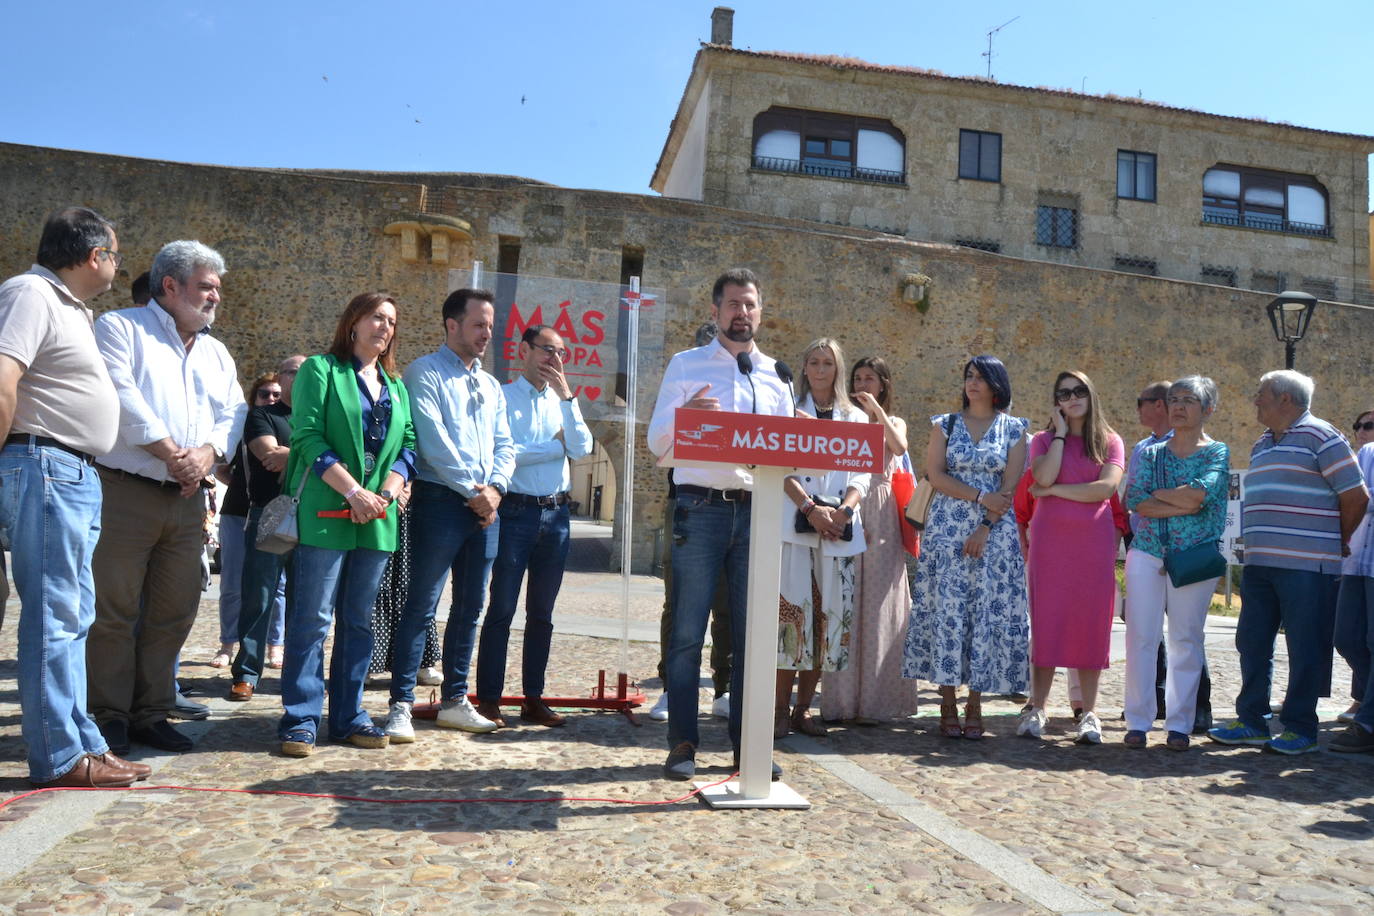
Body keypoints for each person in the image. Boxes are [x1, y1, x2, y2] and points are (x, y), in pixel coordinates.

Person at [0, 206, 150, 788]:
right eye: (113, 254)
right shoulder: (31, 294)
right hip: (44, 464)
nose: (115, 264)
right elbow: (4, 376)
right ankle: (61, 755)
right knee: (54, 616)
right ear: (95, 256)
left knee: (74, 615)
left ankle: (83, 740)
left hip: (70, 472)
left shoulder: (69, 308)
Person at [89, 240, 244, 756]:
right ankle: (108, 715)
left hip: (186, 500)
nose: (215, 297)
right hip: (125, 492)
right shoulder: (120, 329)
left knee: (174, 609)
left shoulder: (217, 352)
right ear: (171, 285)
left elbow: (234, 411)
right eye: (206, 287)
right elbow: (120, 394)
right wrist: (173, 453)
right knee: (114, 609)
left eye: (218, 289)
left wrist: (206, 453)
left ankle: (152, 711)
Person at [647, 268, 794, 781]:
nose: (742, 313)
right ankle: (683, 743)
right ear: (715, 313)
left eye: (750, 305)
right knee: (688, 633)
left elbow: (788, 452)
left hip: (756, 511)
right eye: (733, 305)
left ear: (760, 311)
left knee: (752, 637)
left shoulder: (776, 375)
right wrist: (686, 415)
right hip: (700, 509)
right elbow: (657, 446)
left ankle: (748, 748)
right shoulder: (686, 365)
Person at [277, 293, 416, 756]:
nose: (384, 327)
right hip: (327, 509)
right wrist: (353, 491)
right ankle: (301, 717)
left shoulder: (396, 386)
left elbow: (409, 445)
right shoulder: (322, 370)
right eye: (376, 316)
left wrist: (389, 491)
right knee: (313, 619)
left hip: (377, 516)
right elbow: (307, 436)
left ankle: (349, 715)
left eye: (391, 321)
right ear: (353, 322)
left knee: (359, 621)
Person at [1210, 370, 1368, 755]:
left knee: (1305, 647)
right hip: (1260, 563)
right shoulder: (1263, 442)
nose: (1255, 399)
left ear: (1285, 398)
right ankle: (1252, 721)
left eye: (1261, 393)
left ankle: (1300, 728)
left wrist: (1338, 540)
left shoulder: (1323, 437)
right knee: (1251, 642)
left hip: (1308, 566)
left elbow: (1357, 496)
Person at [386, 288, 515, 741]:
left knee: (470, 608)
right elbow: (433, 442)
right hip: (442, 502)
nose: (486, 334)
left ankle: (456, 700)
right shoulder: (425, 373)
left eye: (490, 326)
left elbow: (505, 443)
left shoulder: (491, 384)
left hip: (485, 510)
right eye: (478, 324)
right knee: (421, 604)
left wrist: (496, 489)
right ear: (452, 324)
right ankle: (401, 703)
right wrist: (475, 492)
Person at [904, 356, 1029, 740]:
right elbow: (936, 475)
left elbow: (1008, 488)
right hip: (946, 532)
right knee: (947, 612)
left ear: (996, 384)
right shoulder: (945, 424)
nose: (972, 383)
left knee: (983, 614)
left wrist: (985, 527)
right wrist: (978, 496)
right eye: (968, 376)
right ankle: (945, 700)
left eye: (981, 377)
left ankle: (975, 702)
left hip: (993, 535)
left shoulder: (1015, 429)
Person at [474, 324, 594, 727]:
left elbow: (583, 448)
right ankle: (489, 699)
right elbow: (506, 455)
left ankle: (533, 699)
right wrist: (555, 446)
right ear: (524, 350)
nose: (554, 360)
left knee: (542, 613)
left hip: (557, 516)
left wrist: (568, 401)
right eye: (547, 350)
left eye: (561, 353)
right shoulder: (504, 397)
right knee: (502, 608)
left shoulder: (564, 401)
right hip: (517, 512)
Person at [1122, 376, 1229, 751]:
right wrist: (1181, 500)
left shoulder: (1217, 452)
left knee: (1186, 638)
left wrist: (1165, 498)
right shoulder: (1150, 453)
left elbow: (1201, 495)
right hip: (1148, 550)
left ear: (1208, 409)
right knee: (1141, 636)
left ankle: (1179, 724)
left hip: (1192, 556)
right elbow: (1136, 500)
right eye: (1174, 399)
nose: (1179, 406)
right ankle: (1137, 719)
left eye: (1189, 400)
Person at [1019, 370, 1125, 745]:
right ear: (1056, 402)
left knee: (1090, 625)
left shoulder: (1110, 441)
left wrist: (1055, 490)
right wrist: (1061, 435)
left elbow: (1104, 490)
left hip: (1092, 546)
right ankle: (1038, 706)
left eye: (1079, 391)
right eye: (1064, 393)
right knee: (1047, 622)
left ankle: (1089, 713)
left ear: (1091, 394)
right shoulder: (1043, 441)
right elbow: (1042, 478)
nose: (1072, 397)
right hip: (1050, 545)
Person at [776, 338, 869, 738]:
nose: (819, 369)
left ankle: (803, 709)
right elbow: (780, 468)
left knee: (826, 620)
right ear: (805, 367)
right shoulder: (788, 411)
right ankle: (779, 710)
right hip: (796, 525)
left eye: (827, 363)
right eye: (812, 362)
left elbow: (861, 475)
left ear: (838, 369)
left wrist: (843, 512)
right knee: (791, 617)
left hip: (839, 530)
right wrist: (811, 509)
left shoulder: (856, 418)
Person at [821, 356, 919, 724]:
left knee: (879, 605)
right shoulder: (845, 420)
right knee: (846, 601)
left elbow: (899, 447)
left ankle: (878, 702)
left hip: (882, 508)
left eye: (869, 379)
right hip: (850, 502)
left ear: (883, 384)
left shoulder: (892, 420)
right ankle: (843, 701)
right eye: (857, 378)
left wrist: (875, 410)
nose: (862, 384)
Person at [649, 321, 734, 724]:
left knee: (728, 603)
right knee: (679, 602)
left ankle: (726, 686)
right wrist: (686, 416)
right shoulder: (681, 382)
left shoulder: (745, 391)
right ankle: (672, 687)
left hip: (735, 505)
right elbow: (658, 442)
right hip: (686, 503)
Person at [227, 354, 306, 700]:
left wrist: (295, 454)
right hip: (273, 512)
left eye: (306, 372)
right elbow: (268, 455)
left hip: (312, 515)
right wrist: (314, 456)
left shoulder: (318, 416)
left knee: (305, 599)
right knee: (259, 594)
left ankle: (298, 674)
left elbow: (340, 456)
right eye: (292, 371)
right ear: (281, 377)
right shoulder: (262, 414)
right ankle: (246, 671)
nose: (299, 377)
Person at [212, 373, 285, 670]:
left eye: (275, 395)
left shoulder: (286, 425)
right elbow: (220, 469)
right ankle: (227, 644)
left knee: (277, 587)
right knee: (232, 583)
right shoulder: (243, 429)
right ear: (253, 398)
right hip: (237, 511)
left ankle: (275, 645)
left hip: (275, 512)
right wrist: (241, 485)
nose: (270, 399)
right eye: (264, 394)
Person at [1332, 437, 1374, 753]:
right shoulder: (1368, 452)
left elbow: (1355, 498)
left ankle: (1367, 723)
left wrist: (1359, 499)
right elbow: (1344, 497)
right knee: (1346, 638)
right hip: (1357, 560)